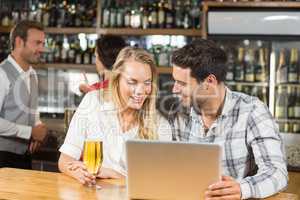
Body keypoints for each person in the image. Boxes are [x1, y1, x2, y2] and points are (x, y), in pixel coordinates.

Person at [169, 39, 288, 199]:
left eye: (182, 83)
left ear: (209, 82)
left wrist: (242, 189)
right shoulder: (178, 112)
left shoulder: (252, 110)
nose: (174, 89)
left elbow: (276, 172)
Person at [58, 46, 172, 185]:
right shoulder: (93, 101)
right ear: (116, 80)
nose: (141, 91)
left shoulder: (160, 125)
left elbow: (159, 184)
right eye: (132, 82)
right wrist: (78, 173)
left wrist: (114, 175)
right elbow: (65, 160)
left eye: (147, 83)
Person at [0, 20, 48, 169]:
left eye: (43, 44)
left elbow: (31, 110)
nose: (42, 49)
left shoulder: (32, 73)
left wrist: (39, 127)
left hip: (24, 156)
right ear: (19, 42)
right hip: (3, 158)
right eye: (37, 43)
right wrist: (30, 132)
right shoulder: (2, 73)